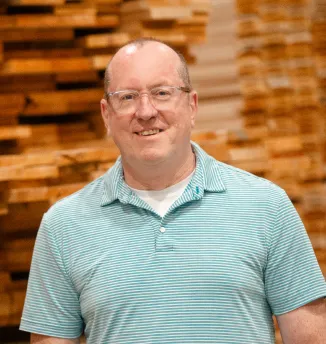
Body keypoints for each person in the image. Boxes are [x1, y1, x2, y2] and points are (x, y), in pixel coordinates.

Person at [20, 38, 325, 344]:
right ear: (106, 115)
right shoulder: (63, 226)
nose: (145, 111)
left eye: (161, 93)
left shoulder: (266, 206)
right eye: (127, 97)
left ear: (192, 106)